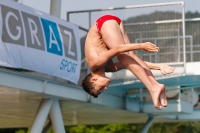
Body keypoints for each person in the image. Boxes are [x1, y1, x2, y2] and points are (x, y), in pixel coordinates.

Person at [81, 15, 175, 110]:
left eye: (100, 88)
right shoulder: (110, 68)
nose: (105, 88)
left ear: (94, 80)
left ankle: (153, 88)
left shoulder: (95, 63)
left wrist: (142, 45)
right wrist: (159, 67)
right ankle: (156, 85)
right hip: (114, 23)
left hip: (104, 24)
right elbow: (132, 63)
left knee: (122, 55)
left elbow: (118, 49)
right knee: (130, 56)